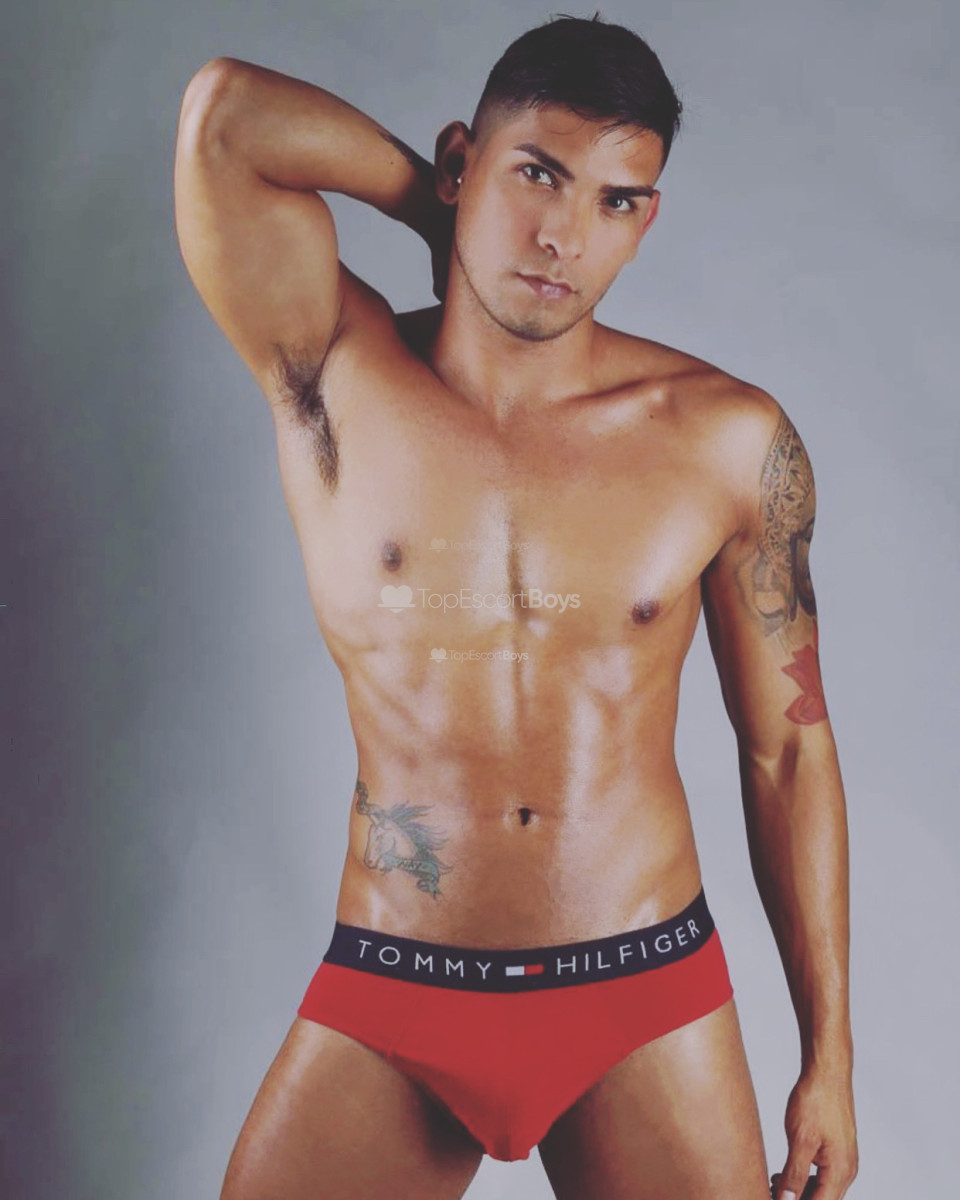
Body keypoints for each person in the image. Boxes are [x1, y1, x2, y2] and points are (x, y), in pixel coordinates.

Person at [174, 15, 858, 1200]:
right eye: (536, 174)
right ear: (461, 162)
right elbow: (225, 118)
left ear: (646, 221)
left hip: (643, 993)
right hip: (396, 984)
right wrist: (433, 216)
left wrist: (830, 1057)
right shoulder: (334, 369)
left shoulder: (726, 441)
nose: (562, 236)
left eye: (615, 201)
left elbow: (787, 751)